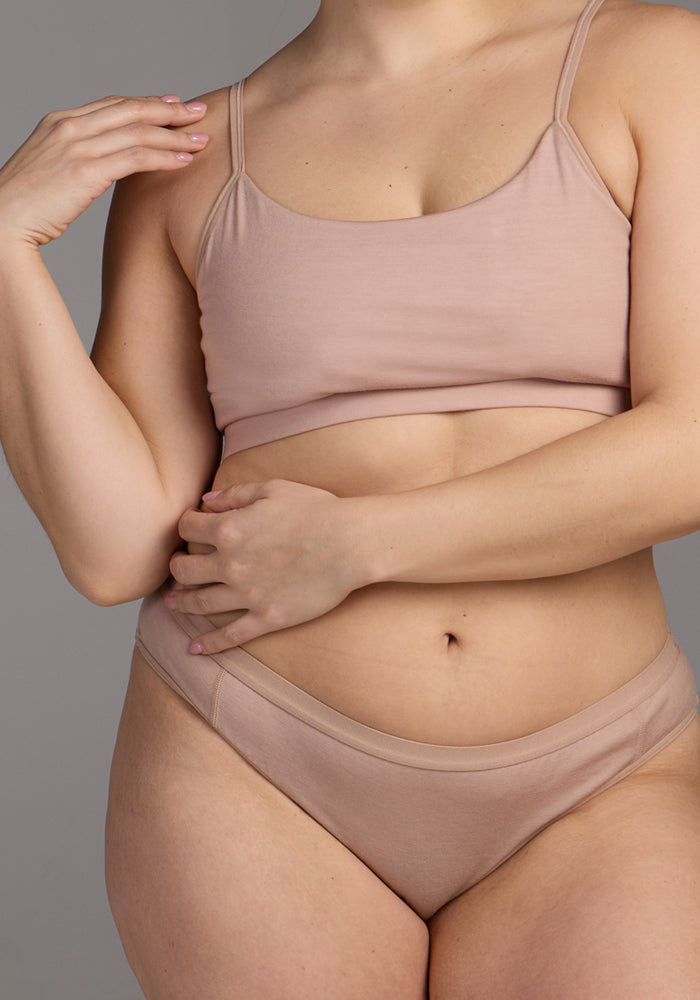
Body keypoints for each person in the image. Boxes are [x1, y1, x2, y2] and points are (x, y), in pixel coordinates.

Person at [1, 0, 700, 994]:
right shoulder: (191, 155)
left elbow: (690, 443)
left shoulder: (653, 62)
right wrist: (2, 249)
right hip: (250, 762)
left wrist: (364, 541)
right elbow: (116, 546)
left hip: (600, 776)